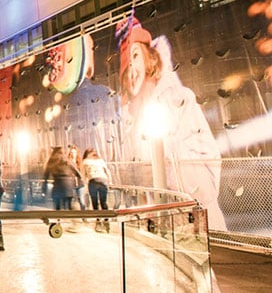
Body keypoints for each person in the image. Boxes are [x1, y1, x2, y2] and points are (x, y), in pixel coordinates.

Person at [116, 14, 228, 231]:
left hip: (201, 225)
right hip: (161, 231)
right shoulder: (130, 125)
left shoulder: (180, 99)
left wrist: (166, 168)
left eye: (135, 56)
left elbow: (209, 172)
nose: (132, 72)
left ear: (150, 57)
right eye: (125, 68)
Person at [82, 148, 113, 233]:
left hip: (93, 181)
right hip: (103, 180)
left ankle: (98, 222)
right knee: (104, 202)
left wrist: (85, 185)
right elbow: (107, 171)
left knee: (95, 203)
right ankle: (106, 222)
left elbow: (83, 175)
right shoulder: (100, 160)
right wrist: (110, 182)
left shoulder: (85, 161)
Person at [43, 146, 82, 212]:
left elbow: (46, 175)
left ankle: (58, 220)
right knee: (68, 205)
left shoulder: (51, 161)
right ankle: (69, 219)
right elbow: (77, 173)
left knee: (57, 205)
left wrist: (44, 189)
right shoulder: (67, 160)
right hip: (69, 185)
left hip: (58, 185)